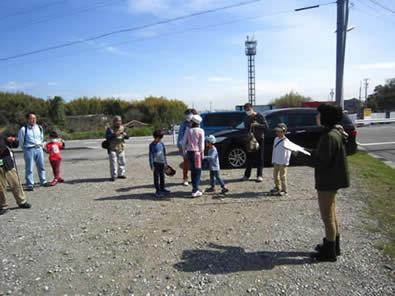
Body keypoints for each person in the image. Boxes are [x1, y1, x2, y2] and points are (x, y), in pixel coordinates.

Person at [312, 104, 350, 262]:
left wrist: (297, 155)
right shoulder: (335, 132)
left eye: (319, 114)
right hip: (333, 179)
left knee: (327, 217)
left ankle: (329, 252)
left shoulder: (329, 136)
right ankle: (333, 245)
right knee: (332, 214)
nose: (316, 117)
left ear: (325, 117)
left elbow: (321, 161)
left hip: (328, 181)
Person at [0, 131, 31, 215]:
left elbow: (15, 145)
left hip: (7, 163)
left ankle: (22, 201)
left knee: (15, 183)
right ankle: (3, 205)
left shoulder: (3, 135)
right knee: (1, 187)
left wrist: (13, 140)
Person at [18, 112, 48, 191]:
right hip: (29, 149)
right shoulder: (23, 129)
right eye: (31, 118)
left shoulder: (39, 127)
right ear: (28, 119)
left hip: (39, 149)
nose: (34, 120)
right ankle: (30, 184)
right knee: (29, 168)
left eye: (35, 118)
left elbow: (41, 138)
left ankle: (43, 181)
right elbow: (21, 141)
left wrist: (41, 145)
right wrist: (25, 149)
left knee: (41, 166)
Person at [243, 103, 266, 182]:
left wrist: (257, 125)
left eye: (248, 109)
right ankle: (247, 175)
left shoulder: (259, 116)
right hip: (250, 140)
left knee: (260, 158)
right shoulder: (246, 118)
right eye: (246, 110)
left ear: (252, 108)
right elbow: (246, 128)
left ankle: (259, 175)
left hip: (259, 139)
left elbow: (266, 127)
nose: (248, 111)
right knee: (249, 157)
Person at [182, 114, 205, 197]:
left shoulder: (188, 130)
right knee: (198, 171)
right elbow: (201, 145)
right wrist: (202, 153)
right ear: (199, 123)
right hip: (197, 153)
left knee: (192, 171)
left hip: (189, 152)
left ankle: (195, 188)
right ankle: (195, 190)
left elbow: (183, 142)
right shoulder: (201, 131)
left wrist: (184, 152)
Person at [177, 108, 197, 186]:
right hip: (186, 146)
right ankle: (185, 178)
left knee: (195, 164)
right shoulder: (184, 123)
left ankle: (194, 178)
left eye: (188, 115)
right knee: (186, 163)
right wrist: (180, 145)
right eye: (186, 116)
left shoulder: (197, 122)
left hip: (194, 146)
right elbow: (180, 135)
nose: (187, 117)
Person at [270, 123, 292, 196]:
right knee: (275, 176)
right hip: (276, 161)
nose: (277, 133)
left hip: (283, 162)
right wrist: (273, 160)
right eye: (276, 131)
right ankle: (277, 187)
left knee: (283, 176)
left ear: (283, 131)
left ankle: (284, 190)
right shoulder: (276, 139)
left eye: (279, 131)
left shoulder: (286, 141)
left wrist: (286, 162)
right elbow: (274, 150)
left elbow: (289, 153)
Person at [106, 116, 129, 181]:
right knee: (113, 163)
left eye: (119, 121)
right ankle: (113, 176)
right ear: (113, 122)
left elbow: (127, 137)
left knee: (122, 162)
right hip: (112, 148)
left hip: (121, 147)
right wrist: (114, 134)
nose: (118, 122)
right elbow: (107, 137)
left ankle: (121, 174)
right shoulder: (110, 129)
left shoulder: (123, 128)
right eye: (116, 121)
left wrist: (125, 135)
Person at [149, 130, 170, 198]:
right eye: (158, 138)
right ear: (155, 137)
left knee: (162, 176)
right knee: (156, 178)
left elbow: (164, 154)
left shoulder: (161, 144)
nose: (159, 140)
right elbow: (151, 155)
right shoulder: (152, 145)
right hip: (156, 164)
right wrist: (152, 165)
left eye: (160, 138)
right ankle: (157, 191)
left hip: (162, 163)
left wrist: (165, 163)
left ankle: (162, 188)